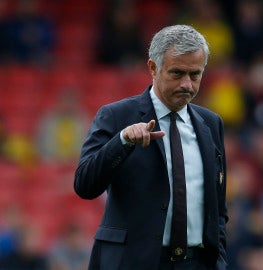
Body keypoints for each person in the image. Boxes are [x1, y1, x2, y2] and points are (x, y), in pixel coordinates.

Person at [74, 25, 228, 270]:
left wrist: (218, 260)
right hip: (133, 263)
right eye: (177, 73)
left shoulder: (211, 124)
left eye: (195, 75)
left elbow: (218, 208)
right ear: (153, 68)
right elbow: (84, 184)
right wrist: (121, 141)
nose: (187, 84)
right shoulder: (116, 116)